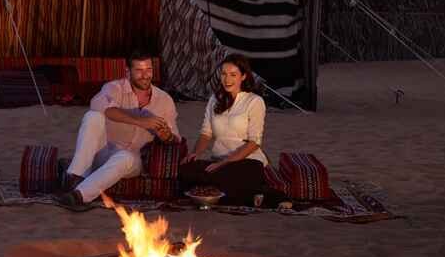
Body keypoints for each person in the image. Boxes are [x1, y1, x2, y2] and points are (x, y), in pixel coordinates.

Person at [55, 50, 180, 209]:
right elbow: (102, 107)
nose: (145, 75)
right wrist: (142, 121)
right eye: (139, 70)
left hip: (133, 160)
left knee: (125, 157)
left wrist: (166, 136)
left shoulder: (164, 100)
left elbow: (175, 138)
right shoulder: (114, 88)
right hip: (104, 152)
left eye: (149, 70)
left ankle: (78, 195)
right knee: (93, 117)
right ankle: (77, 176)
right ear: (128, 71)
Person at [179, 54, 279, 206]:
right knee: (186, 169)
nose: (227, 79)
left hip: (246, 161)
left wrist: (225, 163)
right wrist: (195, 153)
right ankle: (240, 195)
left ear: (243, 76)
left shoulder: (254, 101)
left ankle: (263, 194)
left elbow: (254, 142)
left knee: (232, 174)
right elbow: (206, 133)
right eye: (224, 74)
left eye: (233, 75)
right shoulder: (215, 99)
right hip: (218, 161)